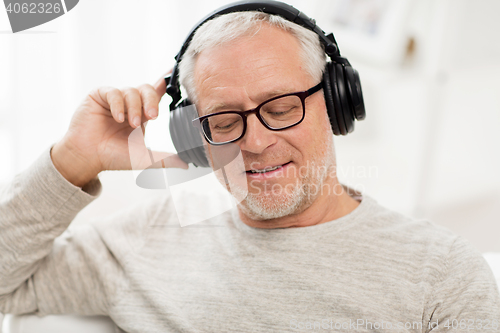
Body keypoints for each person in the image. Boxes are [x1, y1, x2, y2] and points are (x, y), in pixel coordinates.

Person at [1, 4, 499, 333]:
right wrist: (69, 161)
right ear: (193, 137)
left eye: (281, 108)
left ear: (336, 102)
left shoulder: (441, 276)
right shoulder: (144, 242)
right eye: (223, 120)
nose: (255, 142)